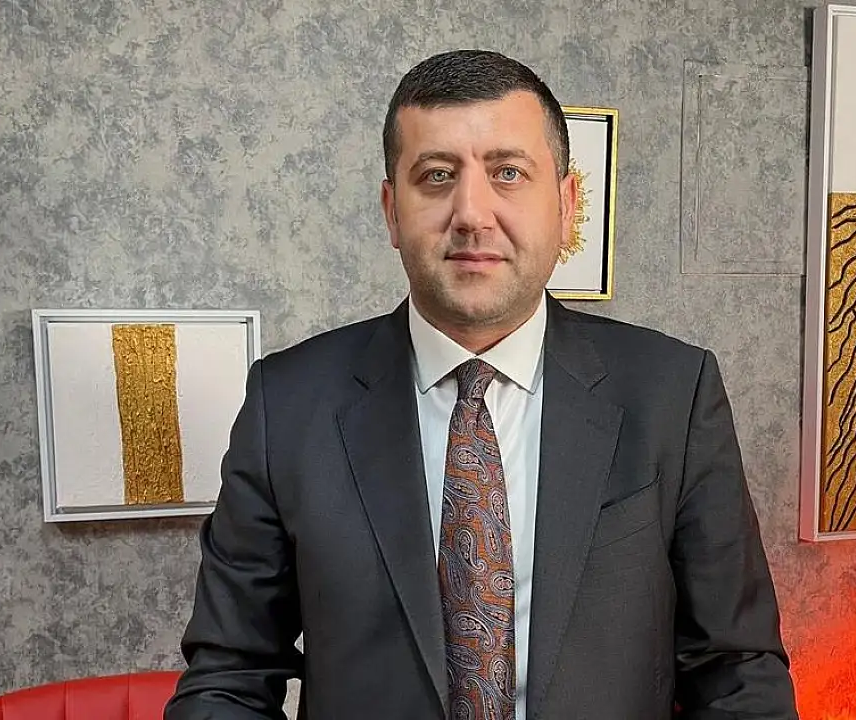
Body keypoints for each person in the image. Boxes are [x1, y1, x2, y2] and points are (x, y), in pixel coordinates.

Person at [165, 49, 798, 720]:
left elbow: (736, 670)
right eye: (436, 176)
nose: (471, 212)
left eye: (508, 173)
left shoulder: (673, 392)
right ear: (391, 210)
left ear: (567, 203)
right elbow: (228, 678)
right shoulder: (289, 404)